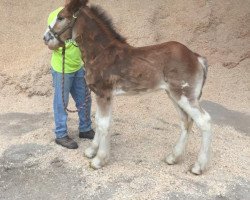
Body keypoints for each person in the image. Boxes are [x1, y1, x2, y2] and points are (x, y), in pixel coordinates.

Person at [48, 7, 94, 149]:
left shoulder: (81, 16)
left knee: (85, 97)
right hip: (62, 68)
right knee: (62, 101)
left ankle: (85, 129)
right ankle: (61, 134)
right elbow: (50, 42)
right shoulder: (55, 15)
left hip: (78, 66)